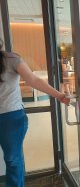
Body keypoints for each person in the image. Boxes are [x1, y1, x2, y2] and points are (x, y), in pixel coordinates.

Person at [0, 39, 70, 187]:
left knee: (12, 159)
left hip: (10, 117)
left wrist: (59, 95)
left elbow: (33, 80)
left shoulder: (10, 59)